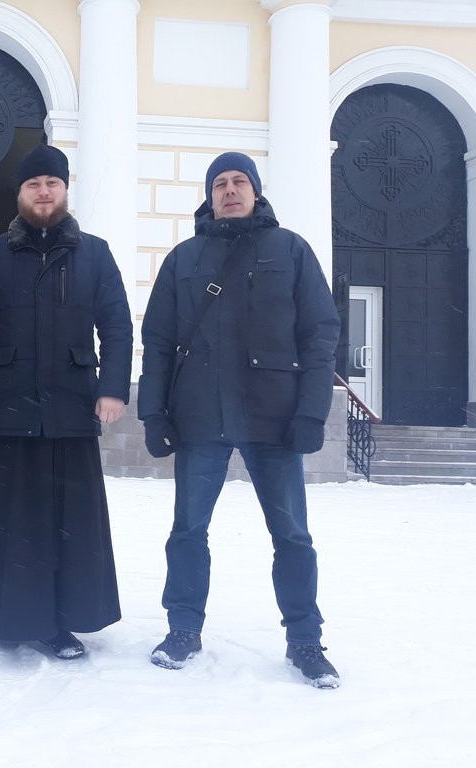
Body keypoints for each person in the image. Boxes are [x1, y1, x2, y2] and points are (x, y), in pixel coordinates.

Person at [138, 152, 342, 688]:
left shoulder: (291, 250)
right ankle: (183, 629)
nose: (229, 190)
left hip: (274, 418)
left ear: (255, 190)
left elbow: (320, 335)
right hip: (200, 417)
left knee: (292, 535)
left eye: (239, 181)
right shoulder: (183, 258)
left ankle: (305, 640)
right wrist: (153, 412)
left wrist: (311, 413)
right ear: (209, 195)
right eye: (220, 184)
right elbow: (157, 342)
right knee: (188, 531)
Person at [0, 144, 133, 660]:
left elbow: (117, 326)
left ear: (66, 189)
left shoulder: (95, 254)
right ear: (20, 194)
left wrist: (113, 388)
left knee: (65, 525)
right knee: (2, 522)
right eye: (34, 184)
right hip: (6, 409)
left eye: (52, 183)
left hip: (71, 409)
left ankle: (57, 624)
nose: (44, 192)